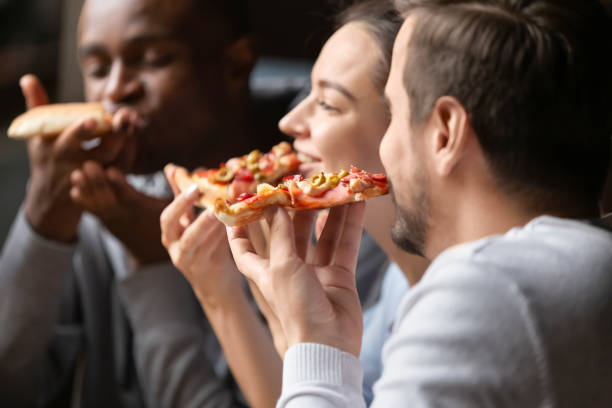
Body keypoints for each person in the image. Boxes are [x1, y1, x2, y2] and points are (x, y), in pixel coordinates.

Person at [227, 0, 612, 406]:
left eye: (393, 113)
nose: (385, 148)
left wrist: (311, 347)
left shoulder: (484, 291)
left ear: (445, 132)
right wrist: (326, 348)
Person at [160, 1, 428, 407]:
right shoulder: (399, 281)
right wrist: (220, 291)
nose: (288, 123)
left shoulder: (451, 310)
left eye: (327, 103)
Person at [0, 0, 265, 406]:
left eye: (154, 59)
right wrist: (44, 216)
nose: (116, 90)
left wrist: (154, 266)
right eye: (98, 68)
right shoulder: (98, 194)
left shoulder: (303, 201)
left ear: (237, 65)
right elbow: (13, 387)